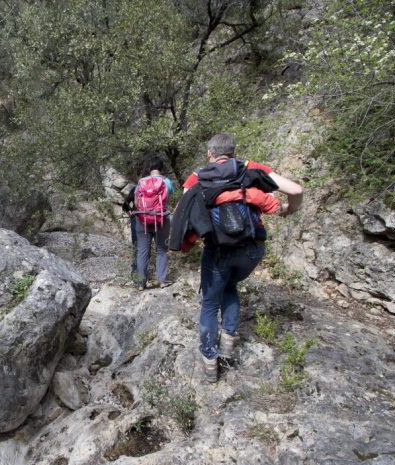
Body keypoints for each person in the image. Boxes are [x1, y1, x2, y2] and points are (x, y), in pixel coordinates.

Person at [182, 133, 303, 383]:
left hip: (218, 250)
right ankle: (228, 342)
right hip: (251, 249)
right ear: (234, 151)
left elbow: (185, 208)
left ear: (210, 153)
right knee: (231, 285)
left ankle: (209, 362)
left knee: (209, 303)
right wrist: (290, 210)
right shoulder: (250, 169)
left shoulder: (197, 177)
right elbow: (296, 189)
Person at [129, 157, 175, 291]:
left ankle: (140, 283)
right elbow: (168, 199)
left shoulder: (141, 182)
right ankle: (162, 280)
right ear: (161, 168)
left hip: (142, 220)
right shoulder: (166, 181)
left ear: (149, 169)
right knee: (161, 250)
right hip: (161, 219)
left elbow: (137, 202)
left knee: (142, 251)